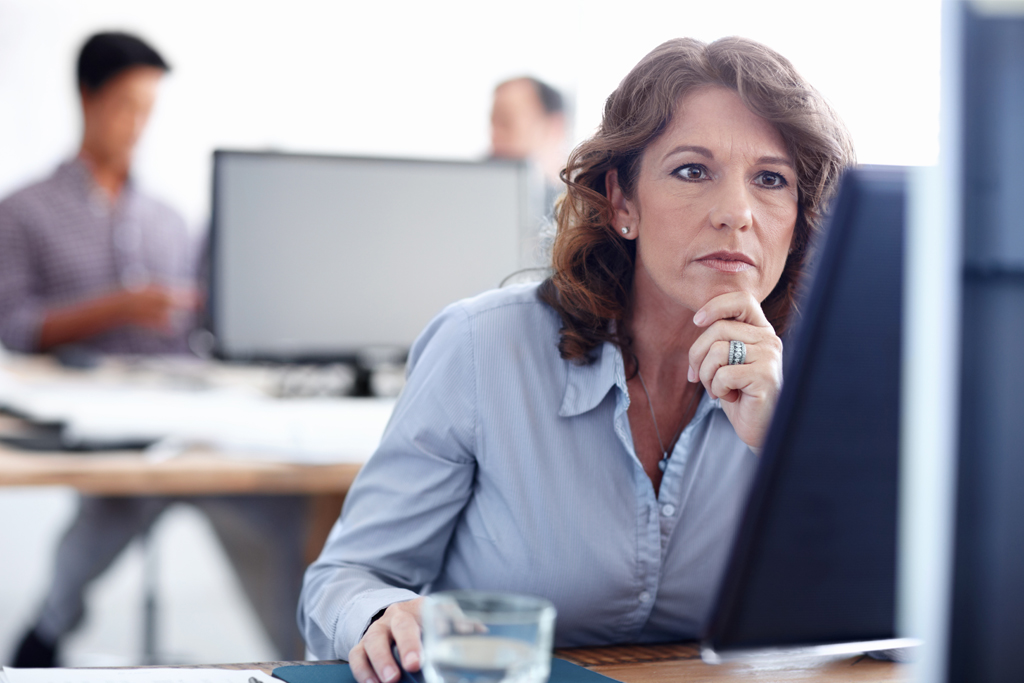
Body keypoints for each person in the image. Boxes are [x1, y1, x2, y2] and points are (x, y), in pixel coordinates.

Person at [298, 36, 854, 681]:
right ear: (622, 202)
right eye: (692, 171)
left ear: (800, 216)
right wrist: (383, 615)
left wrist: (784, 443)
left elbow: (902, 611)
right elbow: (345, 578)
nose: (736, 214)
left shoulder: (818, 374)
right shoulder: (483, 348)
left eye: (770, 179)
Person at [2, 32, 306, 665]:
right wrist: (119, 304)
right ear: (86, 98)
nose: (138, 124)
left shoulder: (171, 219)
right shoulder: (23, 211)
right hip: (102, 429)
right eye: (125, 106)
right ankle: (44, 638)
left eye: (149, 109)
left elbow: (203, 333)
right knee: (123, 498)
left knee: (290, 507)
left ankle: (310, 656)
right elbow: (15, 326)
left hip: (192, 420)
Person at [489, 76, 568, 211]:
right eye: (493, 123)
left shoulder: (579, 207)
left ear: (553, 128)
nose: (495, 136)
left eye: (506, 123)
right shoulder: (474, 186)